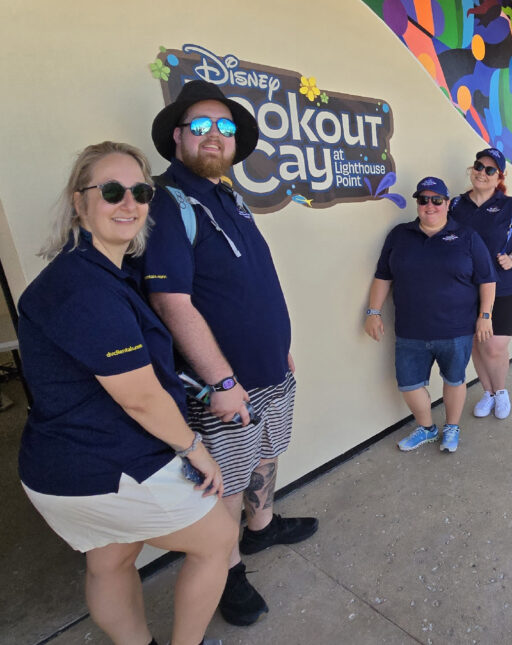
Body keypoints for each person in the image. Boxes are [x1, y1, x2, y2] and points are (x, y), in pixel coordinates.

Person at [18, 141, 236, 645]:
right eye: (112, 191)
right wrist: (194, 448)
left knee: (112, 556)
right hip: (101, 464)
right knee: (219, 538)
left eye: (141, 191)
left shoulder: (102, 271)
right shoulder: (83, 288)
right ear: (80, 202)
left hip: (62, 465)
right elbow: (138, 397)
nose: (130, 203)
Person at [139, 80, 318, 627]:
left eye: (225, 128)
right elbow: (171, 300)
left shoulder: (229, 197)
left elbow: (249, 283)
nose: (214, 136)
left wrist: (279, 349)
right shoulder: (169, 202)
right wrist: (219, 382)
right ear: (177, 137)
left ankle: (260, 528)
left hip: (269, 372)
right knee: (222, 482)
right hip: (224, 386)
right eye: (200, 126)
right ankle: (227, 568)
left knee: (265, 452)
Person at [364, 177, 496, 453]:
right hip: (410, 330)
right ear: (418, 204)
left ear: (447, 204)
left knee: (455, 380)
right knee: (409, 385)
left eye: (437, 200)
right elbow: (382, 277)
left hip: (456, 329)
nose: (430, 205)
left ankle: (452, 427)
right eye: (424, 200)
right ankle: (427, 428)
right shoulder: (399, 235)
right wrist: (373, 312)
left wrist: (485, 315)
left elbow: (487, 279)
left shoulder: (467, 236)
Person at [449, 148, 512, 420]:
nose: (482, 173)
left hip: (504, 288)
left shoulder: (511, 208)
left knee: (495, 346)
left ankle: (501, 392)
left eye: (490, 170)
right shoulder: (455, 205)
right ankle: (487, 392)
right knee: (478, 343)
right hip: (466, 289)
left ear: (500, 176)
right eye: (479, 166)